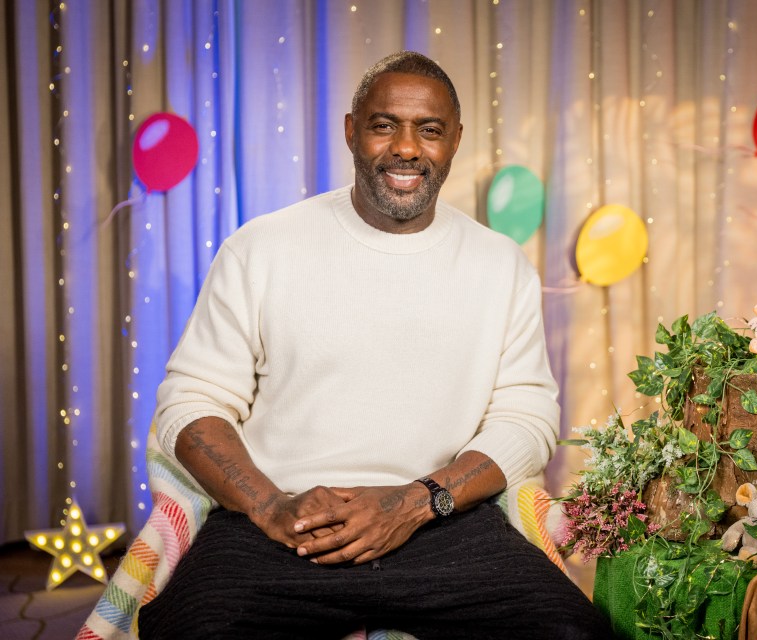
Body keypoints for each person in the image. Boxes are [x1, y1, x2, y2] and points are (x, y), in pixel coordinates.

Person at [137, 51, 613, 640]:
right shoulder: (260, 248)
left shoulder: (499, 264)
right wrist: (267, 507)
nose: (407, 148)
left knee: (571, 631)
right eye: (383, 124)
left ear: (456, 140)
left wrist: (415, 503)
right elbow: (190, 401)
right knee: (187, 632)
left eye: (429, 129)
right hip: (283, 524)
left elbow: (528, 418)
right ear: (350, 131)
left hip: (440, 522)